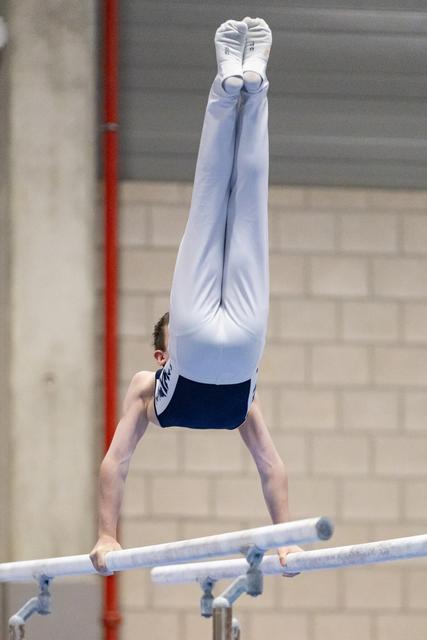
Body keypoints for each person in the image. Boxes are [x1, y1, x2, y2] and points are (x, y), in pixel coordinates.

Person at [90, 17, 300, 577]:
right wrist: (284, 539)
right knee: (248, 207)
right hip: (244, 343)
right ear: (164, 354)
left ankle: (229, 83)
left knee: (211, 202)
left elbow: (118, 461)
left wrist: (109, 534)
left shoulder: (147, 386)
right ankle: (255, 89)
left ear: (164, 354)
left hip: (211, 336)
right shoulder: (239, 406)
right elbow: (271, 467)